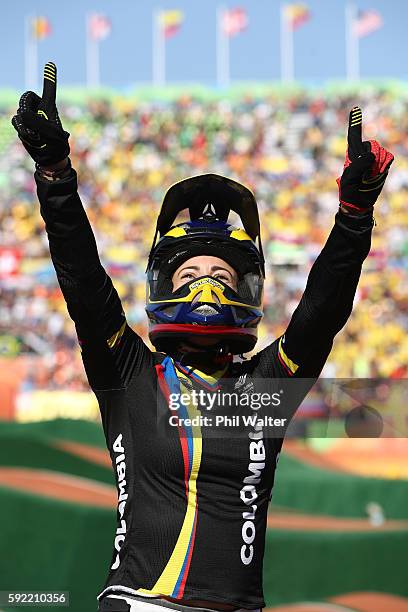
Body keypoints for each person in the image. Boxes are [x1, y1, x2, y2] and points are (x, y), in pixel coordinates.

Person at [12, 63, 393, 612]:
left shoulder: (264, 389)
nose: (208, 290)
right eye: (190, 277)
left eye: (222, 277)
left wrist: (355, 216)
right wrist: (55, 177)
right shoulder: (131, 376)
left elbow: (321, 316)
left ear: (248, 289)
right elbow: (82, 280)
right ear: (165, 284)